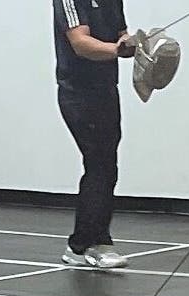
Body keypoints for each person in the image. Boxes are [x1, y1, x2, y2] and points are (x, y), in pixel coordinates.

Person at [55, 0, 138, 270]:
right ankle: (87, 244)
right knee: (99, 163)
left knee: (106, 166)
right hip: (77, 92)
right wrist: (117, 50)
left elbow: (121, 34)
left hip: (106, 89)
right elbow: (81, 43)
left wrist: (131, 43)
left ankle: (90, 242)